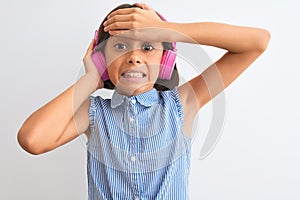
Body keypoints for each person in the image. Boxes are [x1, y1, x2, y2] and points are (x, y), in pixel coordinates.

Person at [17, 2, 270, 200]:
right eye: (120, 47)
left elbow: (257, 42)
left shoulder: (182, 103)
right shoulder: (93, 113)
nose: (134, 57)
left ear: (166, 61)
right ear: (102, 60)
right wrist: (91, 79)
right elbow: (32, 139)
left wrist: (169, 31)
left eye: (148, 47)